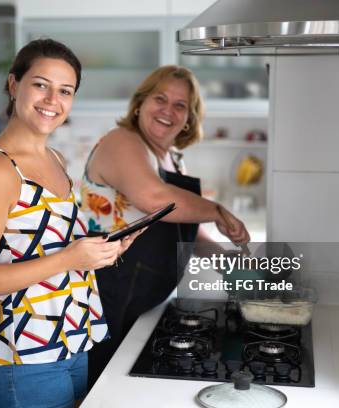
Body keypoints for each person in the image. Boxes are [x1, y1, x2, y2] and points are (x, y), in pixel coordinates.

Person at [0, 39, 141, 408]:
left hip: (71, 341)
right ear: (13, 84)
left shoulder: (54, 157)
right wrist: (71, 259)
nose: (53, 100)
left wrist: (101, 248)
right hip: (22, 357)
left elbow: (47, 246)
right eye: (41, 84)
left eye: (65, 90)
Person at [80, 65, 251, 387]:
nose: (167, 111)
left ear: (189, 117)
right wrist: (216, 210)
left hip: (144, 302)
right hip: (104, 300)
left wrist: (231, 263)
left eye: (180, 105)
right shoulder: (122, 141)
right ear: (140, 103)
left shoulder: (173, 158)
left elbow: (181, 230)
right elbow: (153, 197)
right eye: (160, 99)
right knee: (97, 388)